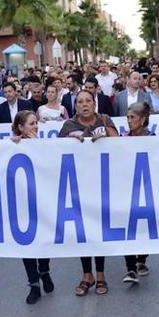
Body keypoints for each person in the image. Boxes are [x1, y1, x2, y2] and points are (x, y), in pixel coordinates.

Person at [59, 90, 118, 296]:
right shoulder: (68, 126)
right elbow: (55, 153)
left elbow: (121, 144)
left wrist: (106, 137)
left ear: (94, 104)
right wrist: (68, 141)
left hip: (102, 184)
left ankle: (100, 274)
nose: (84, 105)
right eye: (80, 102)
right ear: (75, 107)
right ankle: (87, 274)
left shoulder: (104, 119)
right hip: (78, 185)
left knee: (99, 229)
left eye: (88, 101)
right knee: (83, 231)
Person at [10, 111, 55, 304]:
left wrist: (39, 146)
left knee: (44, 239)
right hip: (22, 201)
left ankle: (44, 270)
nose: (35, 126)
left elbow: (51, 167)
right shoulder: (12, 146)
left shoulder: (44, 144)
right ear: (20, 127)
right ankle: (33, 284)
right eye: (31, 123)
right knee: (26, 243)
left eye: (36, 123)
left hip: (43, 200)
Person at [120, 101, 153, 285]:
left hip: (148, 190)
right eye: (128, 117)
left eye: (132, 117)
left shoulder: (155, 138)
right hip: (128, 190)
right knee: (129, 228)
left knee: (144, 229)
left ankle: (142, 260)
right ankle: (130, 268)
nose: (129, 121)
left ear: (143, 119)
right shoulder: (123, 138)